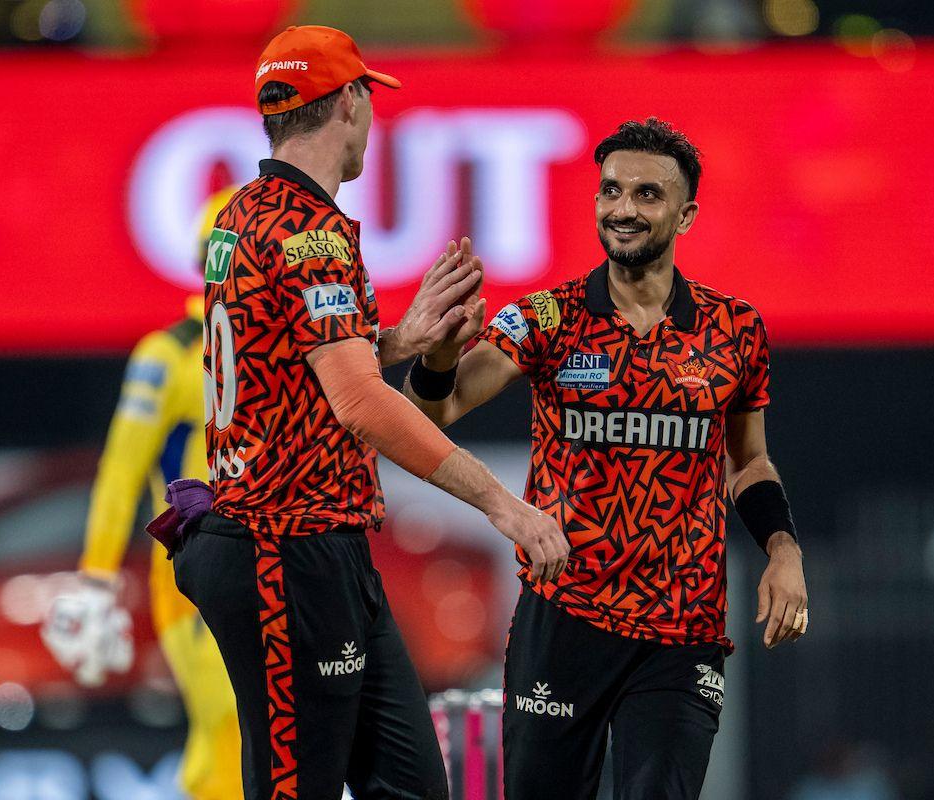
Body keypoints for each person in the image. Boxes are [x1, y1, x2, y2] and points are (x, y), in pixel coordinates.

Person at [173, 24, 568, 800]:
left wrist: (400, 340)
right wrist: (504, 506)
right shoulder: (310, 231)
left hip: (309, 545)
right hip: (284, 548)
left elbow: (292, 366)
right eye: (368, 95)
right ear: (349, 100)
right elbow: (356, 402)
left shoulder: (241, 213)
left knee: (412, 785)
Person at [403, 118, 810, 799]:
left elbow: (749, 463)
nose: (624, 208)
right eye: (612, 190)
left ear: (686, 215)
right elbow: (431, 411)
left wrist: (783, 548)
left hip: (682, 629)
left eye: (648, 194)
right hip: (564, 616)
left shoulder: (735, 329)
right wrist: (441, 352)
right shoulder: (547, 317)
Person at [42, 188, 244, 800]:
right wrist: (97, 578)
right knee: (233, 730)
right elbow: (121, 470)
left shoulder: (288, 352)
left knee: (250, 742)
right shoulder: (171, 356)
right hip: (200, 580)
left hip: (276, 569)